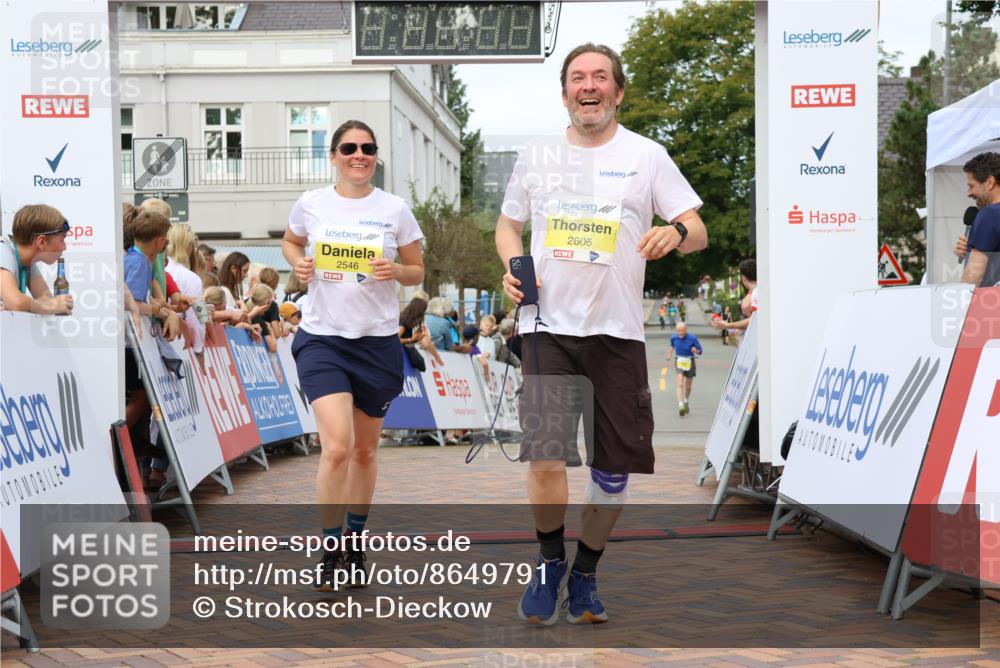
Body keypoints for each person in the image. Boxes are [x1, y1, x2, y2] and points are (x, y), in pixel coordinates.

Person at [495, 42, 706, 625]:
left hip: (617, 334)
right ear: (564, 91)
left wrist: (675, 234)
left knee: (612, 472)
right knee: (545, 460)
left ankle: (585, 572)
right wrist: (515, 269)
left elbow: (696, 226)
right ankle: (547, 563)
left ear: (618, 90)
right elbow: (507, 226)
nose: (589, 87)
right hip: (547, 329)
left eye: (600, 78)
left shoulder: (647, 155)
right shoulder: (537, 156)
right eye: (578, 77)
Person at [282, 119, 426, 591]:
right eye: (349, 147)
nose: (358, 155)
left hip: (377, 342)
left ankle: (355, 539)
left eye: (367, 147)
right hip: (323, 339)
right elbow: (291, 240)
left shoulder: (395, 208)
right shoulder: (312, 203)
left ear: (375, 155)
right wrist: (297, 262)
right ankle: (330, 547)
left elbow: (417, 271)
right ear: (334, 155)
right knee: (338, 446)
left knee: (365, 450)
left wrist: (396, 269)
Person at [1, 204, 74, 315]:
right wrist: (48, 305)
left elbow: (46, 299)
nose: (64, 247)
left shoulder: (26, 261)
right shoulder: (3, 251)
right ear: (41, 242)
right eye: (61, 240)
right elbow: (15, 303)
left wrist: (46, 305)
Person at [954, 152, 1000, 287]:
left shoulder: (989, 214)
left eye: (971, 186)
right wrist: (973, 246)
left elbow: (974, 274)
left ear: (990, 182)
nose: (969, 193)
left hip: (990, 304)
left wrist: (959, 303)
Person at [165, 223, 205, 353]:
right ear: (189, 246)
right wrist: (199, 348)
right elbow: (199, 317)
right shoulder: (193, 279)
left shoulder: (157, 269)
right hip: (179, 345)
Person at [711, 258, 757, 333]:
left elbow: (752, 317)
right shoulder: (759, 291)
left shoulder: (756, 293)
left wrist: (728, 325)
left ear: (743, 278)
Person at [666, 322, 702, 416]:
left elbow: (700, 350)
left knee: (688, 386)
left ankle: (686, 401)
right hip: (679, 361)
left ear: (686, 330)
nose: (680, 332)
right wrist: (669, 354)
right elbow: (672, 345)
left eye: (682, 330)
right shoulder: (674, 337)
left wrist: (696, 350)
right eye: (678, 331)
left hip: (690, 361)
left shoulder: (692, 338)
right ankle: (681, 405)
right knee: (680, 383)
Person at [398, 294, 443, 368]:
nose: (424, 314)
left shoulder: (408, 320)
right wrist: (411, 340)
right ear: (419, 311)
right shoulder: (403, 322)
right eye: (424, 311)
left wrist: (414, 340)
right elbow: (394, 339)